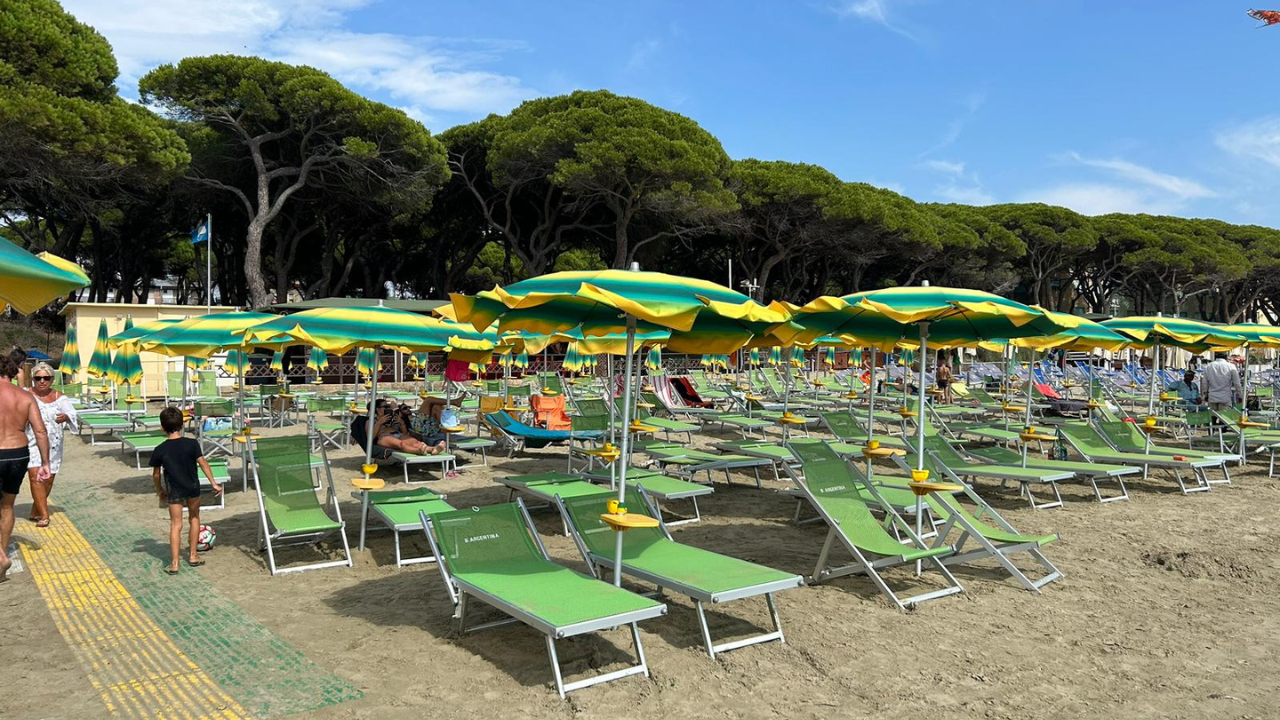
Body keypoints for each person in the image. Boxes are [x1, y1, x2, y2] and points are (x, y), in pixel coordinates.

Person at [150, 407, 220, 575]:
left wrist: (160, 491)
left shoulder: (160, 449)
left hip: (174, 490)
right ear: (182, 425)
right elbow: (203, 463)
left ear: (162, 427)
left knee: (176, 525)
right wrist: (214, 483)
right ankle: (193, 556)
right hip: (192, 487)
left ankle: (174, 564)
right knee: (194, 518)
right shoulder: (191, 443)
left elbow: (156, 474)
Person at [0, 354, 49, 582]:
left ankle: (1, 556)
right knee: (7, 505)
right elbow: (40, 431)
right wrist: (45, 463)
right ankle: (2, 550)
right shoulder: (25, 396)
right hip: (19, 454)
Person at [25, 362, 77, 527]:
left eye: (46, 378)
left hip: (53, 443)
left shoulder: (59, 397)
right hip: (31, 441)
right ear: (33, 379)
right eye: (38, 378)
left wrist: (66, 417)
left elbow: (72, 412)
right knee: (35, 476)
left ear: (52, 379)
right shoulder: (25, 394)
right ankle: (45, 514)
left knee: (48, 478)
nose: (42, 381)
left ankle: (36, 508)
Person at [370, 398, 437, 455]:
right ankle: (418, 451)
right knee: (402, 444)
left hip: (398, 434)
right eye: (385, 407)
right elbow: (370, 438)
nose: (388, 408)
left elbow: (405, 433)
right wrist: (379, 423)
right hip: (384, 437)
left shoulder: (393, 417)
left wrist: (401, 423)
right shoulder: (371, 420)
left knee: (415, 442)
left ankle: (433, 449)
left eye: (388, 406)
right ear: (377, 409)